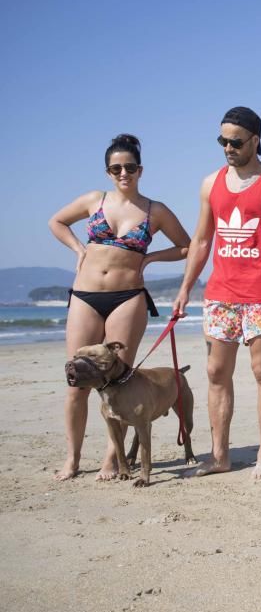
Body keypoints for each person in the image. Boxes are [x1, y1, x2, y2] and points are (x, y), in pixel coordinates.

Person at [48, 134, 190, 480]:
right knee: (77, 382)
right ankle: (73, 459)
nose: (123, 173)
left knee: (121, 381)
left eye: (129, 167)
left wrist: (150, 257)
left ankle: (114, 460)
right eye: (116, 168)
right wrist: (80, 250)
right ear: (108, 172)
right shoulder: (94, 200)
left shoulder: (154, 210)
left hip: (128, 298)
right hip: (85, 295)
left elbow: (187, 246)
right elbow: (57, 222)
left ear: (140, 169)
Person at [172, 107, 261, 479]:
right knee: (215, 373)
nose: (228, 147)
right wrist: (184, 290)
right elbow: (200, 241)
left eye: (236, 141)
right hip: (220, 296)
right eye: (222, 141)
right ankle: (220, 455)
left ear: (255, 141)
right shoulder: (210, 183)